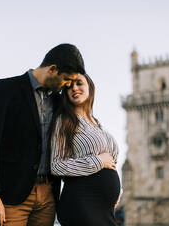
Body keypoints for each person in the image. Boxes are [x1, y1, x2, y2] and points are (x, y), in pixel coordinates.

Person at [0, 43, 86, 226]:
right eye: (67, 79)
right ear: (52, 69)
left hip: (48, 196)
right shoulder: (5, 89)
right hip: (11, 196)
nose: (68, 85)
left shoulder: (59, 101)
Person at [50, 73, 121, 226]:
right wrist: (98, 161)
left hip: (104, 208)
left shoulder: (96, 123)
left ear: (90, 87)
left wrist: (117, 190)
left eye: (79, 83)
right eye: (69, 87)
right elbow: (56, 165)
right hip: (82, 204)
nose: (74, 88)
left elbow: (111, 164)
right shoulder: (63, 121)